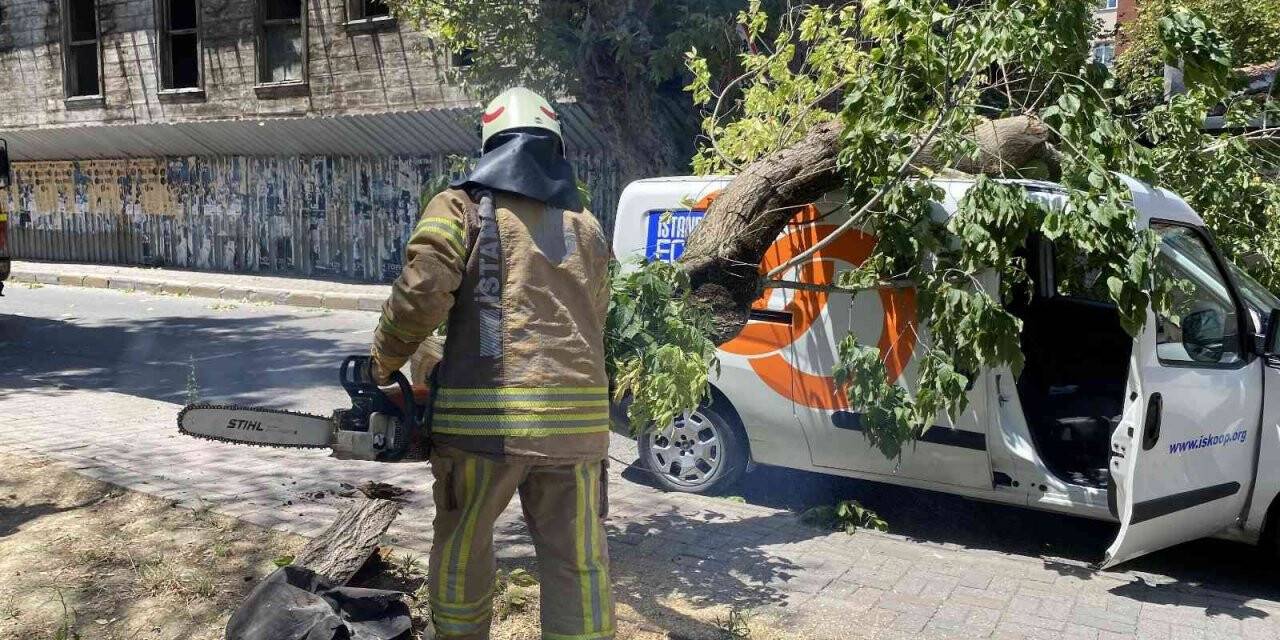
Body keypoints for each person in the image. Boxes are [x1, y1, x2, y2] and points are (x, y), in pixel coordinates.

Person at [368, 87, 615, 640]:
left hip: (486, 429)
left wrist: (382, 362)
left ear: (489, 143)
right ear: (557, 145)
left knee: (463, 546)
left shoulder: (460, 206)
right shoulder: (588, 226)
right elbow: (594, 316)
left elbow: (422, 292)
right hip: (578, 433)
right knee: (580, 564)